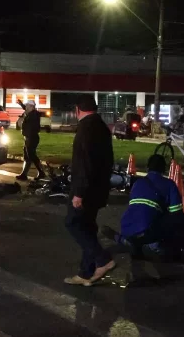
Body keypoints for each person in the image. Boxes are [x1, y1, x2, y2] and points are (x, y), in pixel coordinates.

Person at [64, 94, 116, 286]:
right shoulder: (101, 126)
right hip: (99, 188)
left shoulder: (86, 129)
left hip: (86, 190)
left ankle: (103, 260)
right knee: (88, 228)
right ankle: (86, 273)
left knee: (72, 223)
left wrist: (79, 192)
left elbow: (85, 164)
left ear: (78, 110)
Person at [102, 155, 184, 259]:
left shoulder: (138, 183)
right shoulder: (169, 184)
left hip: (127, 226)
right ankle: (153, 246)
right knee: (182, 219)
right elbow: (176, 213)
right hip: (147, 230)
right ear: (164, 169)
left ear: (147, 168)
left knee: (146, 216)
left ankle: (125, 240)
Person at [16, 99, 45, 181]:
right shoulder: (31, 113)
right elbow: (26, 109)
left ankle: (41, 172)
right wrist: (21, 104)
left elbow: (29, 119)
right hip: (28, 138)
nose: (26, 107)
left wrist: (22, 118)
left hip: (32, 138)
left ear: (32, 106)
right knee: (27, 156)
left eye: (28, 106)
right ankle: (24, 174)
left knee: (31, 155)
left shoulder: (34, 114)